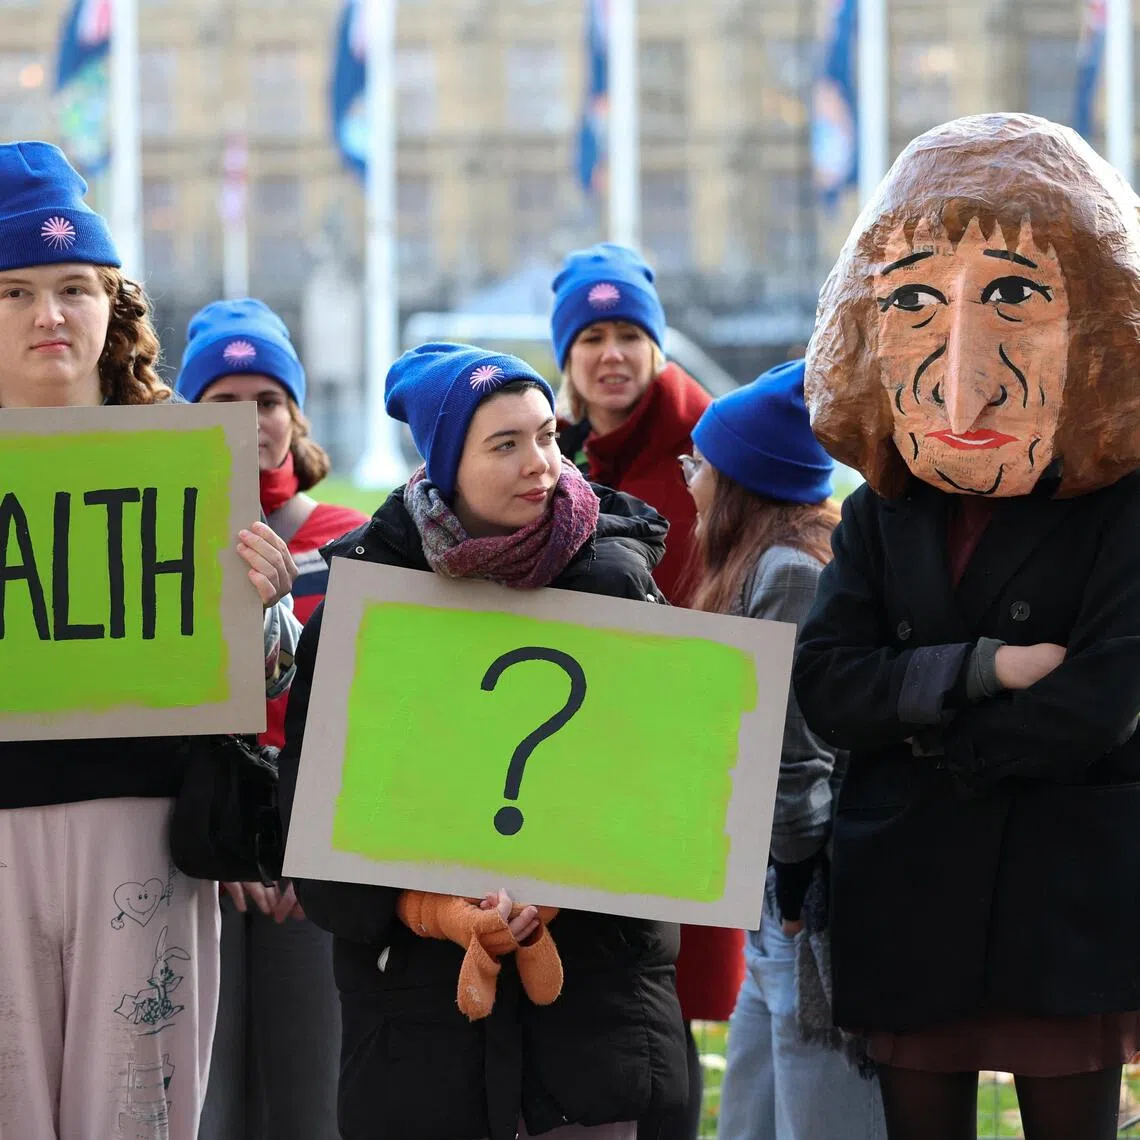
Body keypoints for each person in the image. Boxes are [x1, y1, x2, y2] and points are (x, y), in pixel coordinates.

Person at [794, 113, 1140, 1140]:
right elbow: (826, 683)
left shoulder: (1121, 511)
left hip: (1064, 904)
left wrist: (923, 729)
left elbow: (1108, 696)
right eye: (912, 303)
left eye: (1016, 299)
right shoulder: (879, 513)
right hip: (912, 901)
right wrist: (984, 671)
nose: (962, 376)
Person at [277, 342, 688, 1140]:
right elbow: (312, 838)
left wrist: (568, 886)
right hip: (421, 1045)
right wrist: (432, 910)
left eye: (545, 434)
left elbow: (675, 808)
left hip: (596, 1038)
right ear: (443, 466)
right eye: (505, 444)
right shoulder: (365, 618)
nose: (540, 463)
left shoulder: (620, 587)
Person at [0, 141, 300, 1140]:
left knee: (136, 1112)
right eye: (16, 292)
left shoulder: (183, 454)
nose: (50, 315)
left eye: (74, 287)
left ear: (111, 303)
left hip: (142, 821)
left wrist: (267, 605)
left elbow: (256, 665)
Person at [552, 242, 741, 1137]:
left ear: (658, 346)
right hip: (582, 759)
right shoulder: (562, 454)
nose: (612, 354)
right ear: (568, 358)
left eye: (630, 332)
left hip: (674, 770)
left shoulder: (708, 452)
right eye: (592, 336)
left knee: (666, 1006)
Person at [677, 361, 886, 1140]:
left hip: (804, 905)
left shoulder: (787, 571)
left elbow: (790, 752)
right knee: (750, 1119)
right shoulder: (773, 561)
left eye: (699, 465)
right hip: (774, 895)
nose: (690, 481)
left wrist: (795, 889)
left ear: (741, 482)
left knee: (817, 1117)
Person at [175, 298, 368, 1140]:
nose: (248, 421)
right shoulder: (154, 536)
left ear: (295, 415)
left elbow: (366, 713)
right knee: (198, 1108)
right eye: (222, 401)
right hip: (186, 856)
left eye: (266, 400)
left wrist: (308, 855)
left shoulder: (352, 540)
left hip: (310, 875)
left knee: (312, 1103)